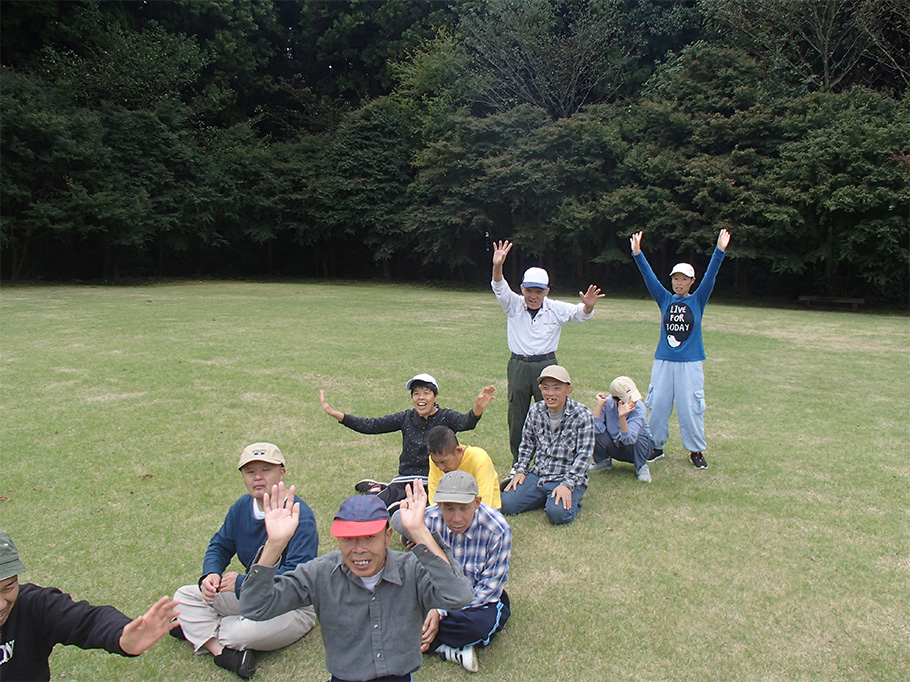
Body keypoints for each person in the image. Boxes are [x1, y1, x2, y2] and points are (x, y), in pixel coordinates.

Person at [239, 481, 474, 682]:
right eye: (348, 538)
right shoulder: (321, 573)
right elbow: (254, 607)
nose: (359, 549)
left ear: (387, 537)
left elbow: (459, 596)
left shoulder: (411, 570)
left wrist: (419, 532)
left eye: (370, 537)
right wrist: (275, 544)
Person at [172, 442, 318, 679]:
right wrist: (211, 574)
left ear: (282, 472)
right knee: (183, 597)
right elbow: (220, 545)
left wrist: (241, 583)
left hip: (292, 606)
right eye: (250, 472)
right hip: (251, 598)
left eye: (266, 470)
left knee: (241, 632)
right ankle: (221, 652)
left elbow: (298, 578)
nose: (257, 477)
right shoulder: (241, 507)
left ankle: (196, 628)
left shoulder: (299, 515)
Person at [0, 530, 179, 682]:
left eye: (8, 587)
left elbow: (88, 620)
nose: (1, 604)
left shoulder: (33, 606)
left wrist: (121, 636)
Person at [490, 239, 603, 467]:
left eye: (539, 291)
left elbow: (580, 314)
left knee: (554, 412)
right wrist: (498, 265)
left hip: (548, 366)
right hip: (519, 365)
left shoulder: (555, 308)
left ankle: (552, 459)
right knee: (517, 415)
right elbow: (499, 286)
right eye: (529, 291)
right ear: (522, 289)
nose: (533, 296)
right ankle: (519, 463)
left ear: (547, 291)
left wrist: (588, 306)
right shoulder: (513, 304)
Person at [631, 229, 731, 469]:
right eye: (675, 278)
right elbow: (649, 278)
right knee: (658, 405)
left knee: (690, 408)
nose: (679, 283)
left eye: (684, 279)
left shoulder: (697, 299)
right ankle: (656, 446)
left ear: (691, 282)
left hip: (690, 362)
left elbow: (711, 275)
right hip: (664, 361)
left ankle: (696, 450)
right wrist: (637, 254)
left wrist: (719, 250)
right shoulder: (665, 299)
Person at [393, 471, 511, 674]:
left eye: (464, 508)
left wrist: (440, 612)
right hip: (434, 596)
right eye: (448, 508)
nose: (456, 518)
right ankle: (446, 648)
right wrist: (413, 534)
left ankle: (418, 636)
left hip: (475, 601)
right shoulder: (428, 520)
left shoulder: (497, 529)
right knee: (395, 607)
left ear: (477, 502)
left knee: (479, 626)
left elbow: (489, 589)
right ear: (438, 504)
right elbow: (397, 520)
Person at [320, 373, 495, 508]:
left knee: (422, 510)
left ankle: (382, 488)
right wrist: (339, 416)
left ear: (435, 397)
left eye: (426, 393)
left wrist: (478, 408)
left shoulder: (446, 416)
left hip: (433, 481)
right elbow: (372, 425)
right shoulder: (406, 418)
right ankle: (378, 489)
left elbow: (466, 422)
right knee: (375, 507)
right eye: (416, 394)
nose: (421, 398)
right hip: (406, 479)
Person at [500, 366, 594, 525]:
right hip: (539, 474)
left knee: (557, 515)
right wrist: (521, 470)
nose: (550, 393)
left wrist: (568, 484)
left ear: (568, 390)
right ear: (540, 389)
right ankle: (543, 497)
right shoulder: (535, 410)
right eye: (546, 388)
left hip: (566, 477)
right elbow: (527, 444)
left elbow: (584, 456)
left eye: (557, 388)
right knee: (506, 504)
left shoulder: (583, 415)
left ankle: (569, 498)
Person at [590, 376, 655, 483]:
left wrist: (622, 417)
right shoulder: (608, 403)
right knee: (594, 431)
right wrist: (599, 405)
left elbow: (629, 439)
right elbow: (593, 430)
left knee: (639, 434)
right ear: (615, 399)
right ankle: (602, 461)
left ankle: (641, 466)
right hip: (617, 445)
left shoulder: (639, 409)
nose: (633, 401)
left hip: (637, 447)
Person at [426, 426, 501, 509]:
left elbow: (485, 502)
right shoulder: (437, 460)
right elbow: (434, 499)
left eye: (444, 462)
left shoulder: (480, 459)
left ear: (459, 450)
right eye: (435, 462)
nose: (440, 468)